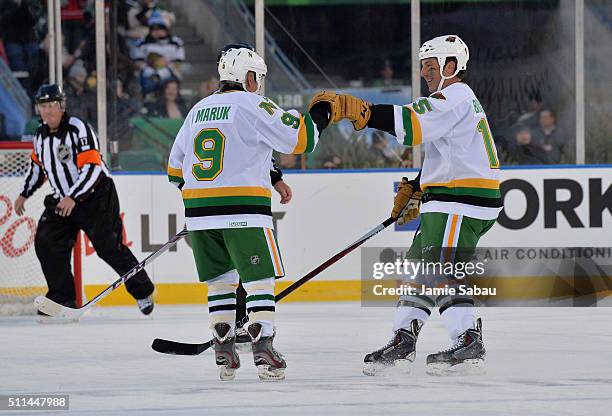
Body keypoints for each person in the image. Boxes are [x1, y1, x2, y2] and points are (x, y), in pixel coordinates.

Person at [309, 35, 501, 375]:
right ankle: (404, 338)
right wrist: (417, 186)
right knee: (418, 270)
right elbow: (447, 149)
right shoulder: (456, 101)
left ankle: (469, 339)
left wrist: (363, 112)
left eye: (431, 67)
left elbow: (410, 125)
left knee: (441, 268)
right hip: (451, 197)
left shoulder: (452, 96)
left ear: (452, 67)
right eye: (423, 67)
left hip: (461, 200)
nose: (425, 74)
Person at [167, 46, 328, 381]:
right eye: (259, 78)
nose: (259, 84)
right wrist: (323, 113)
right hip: (243, 213)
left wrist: (200, 202)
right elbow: (301, 139)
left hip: (199, 215)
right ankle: (264, 349)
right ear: (249, 77)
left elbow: (174, 168)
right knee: (259, 281)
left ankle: (223, 348)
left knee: (221, 283)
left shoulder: (197, 109)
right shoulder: (253, 103)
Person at [14, 84, 156, 319]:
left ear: (62, 106)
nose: (48, 111)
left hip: (96, 196)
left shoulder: (78, 129)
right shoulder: (40, 136)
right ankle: (62, 297)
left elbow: (92, 168)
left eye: (52, 106)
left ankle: (143, 291)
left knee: (109, 247)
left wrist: (74, 196)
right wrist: (24, 193)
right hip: (62, 199)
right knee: (47, 243)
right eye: (43, 106)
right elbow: (37, 168)